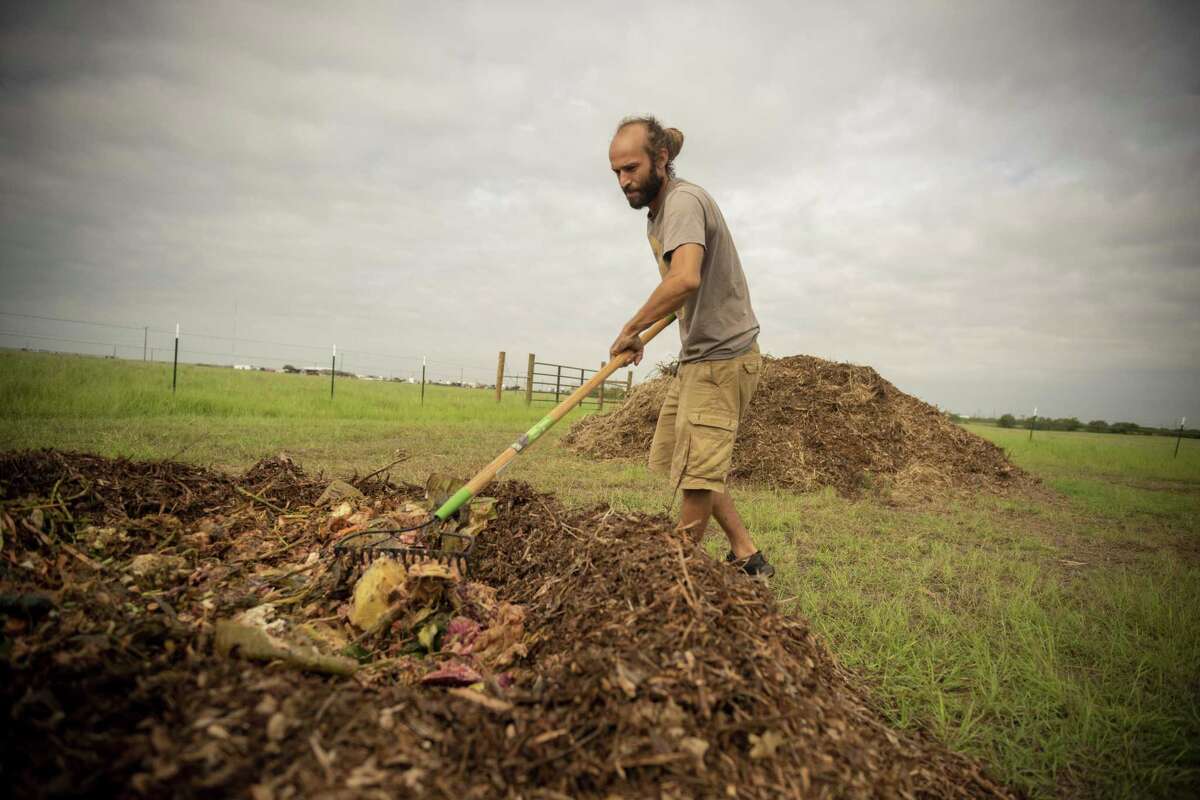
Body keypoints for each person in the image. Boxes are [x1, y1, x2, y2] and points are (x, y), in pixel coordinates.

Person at [607, 115, 774, 579]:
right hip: (701, 357)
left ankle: (676, 580)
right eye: (617, 172)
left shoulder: (682, 202)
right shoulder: (660, 214)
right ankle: (747, 556)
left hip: (722, 359)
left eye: (632, 168)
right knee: (694, 459)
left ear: (661, 159)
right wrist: (641, 334)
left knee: (698, 474)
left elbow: (685, 277)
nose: (624, 180)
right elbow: (680, 293)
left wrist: (630, 324)